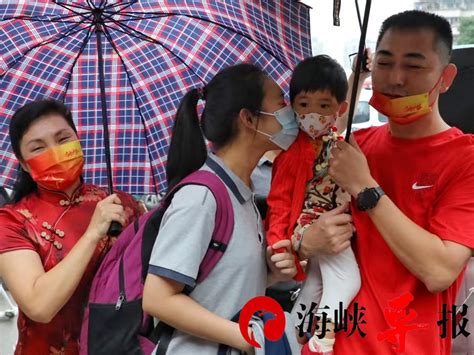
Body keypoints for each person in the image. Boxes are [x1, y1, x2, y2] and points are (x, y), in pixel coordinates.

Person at [299, 10, 474, 354]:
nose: (395, 78)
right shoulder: (354, 146)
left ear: (446, 77)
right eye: (384, 62)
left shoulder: (465, 159)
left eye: (414, 65)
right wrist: (308, 242)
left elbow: (439, 271)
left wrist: (365, 187)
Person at [142, 63, 300, 354]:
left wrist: (270, 273)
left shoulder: (243, 193)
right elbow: (157, 298)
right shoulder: (201, 197)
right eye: (281, 103)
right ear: (249, 119)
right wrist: (244, 337)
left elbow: (220, 286)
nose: (290, 113)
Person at [0, 99, 142, 355]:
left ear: (78, 141)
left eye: (63, 138)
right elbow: (39, 307)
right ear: (23, 164)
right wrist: (92, 235)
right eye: (38, 148)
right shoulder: (13, 220)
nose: (54, 151)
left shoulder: (122, 206)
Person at [265, 55, 374, 354]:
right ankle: (320, 343)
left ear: (337, 108)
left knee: (315, 285)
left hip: (325, 225)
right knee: (347, 281)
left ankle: (293, 334)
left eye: (323, 106)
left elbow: (344, 116)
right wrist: (279, 244)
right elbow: (278, 202)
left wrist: (359, 77)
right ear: (292, 107)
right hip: (312, 226)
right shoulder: (290, 154)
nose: (313, 114)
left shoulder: (334, 141)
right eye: (303, 105)